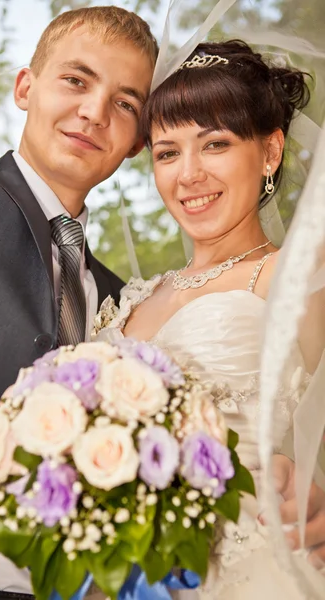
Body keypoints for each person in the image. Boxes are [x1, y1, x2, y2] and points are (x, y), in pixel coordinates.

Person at [0, 6, 158, 600]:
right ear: (25, 87)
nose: (94, 113)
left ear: (136, 142)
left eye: (125, 104)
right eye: (76, 81)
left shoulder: (121, 303)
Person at [94, 39, 325, 598]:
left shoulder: (299, 278)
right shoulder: (132, 297)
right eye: (167, 153)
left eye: (215, 143)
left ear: (270, 152)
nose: (188, 174)